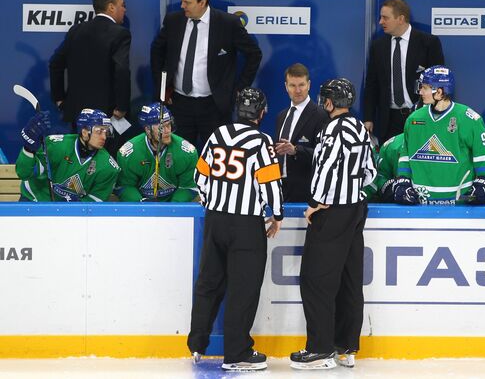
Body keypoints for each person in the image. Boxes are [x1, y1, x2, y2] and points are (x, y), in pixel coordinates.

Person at [188, 88, 283, 372]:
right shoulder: (261, 141)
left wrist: (212, 202)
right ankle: (237, 352)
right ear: (261, 113)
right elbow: (270, 184)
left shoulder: (217, 135)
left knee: (209, 282)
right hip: (245, 225)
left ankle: (197, 345)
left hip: (215, 220)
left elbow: (199, 177)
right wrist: (276, 214)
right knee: (244, 288)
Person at [290, 78, 376, 370]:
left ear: (330, 101)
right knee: (350, 279)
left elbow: (325, 167)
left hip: (332, 211)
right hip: (355, 209)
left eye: (325, 97)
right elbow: (370, 171)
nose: (322, 101)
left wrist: (316, 201)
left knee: (316, 280)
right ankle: (346, 346)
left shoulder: (331, 129)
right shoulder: (359, 128)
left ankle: (320, 349)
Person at [151, 0, 262, 150]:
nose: (182, 6)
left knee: (217, 154)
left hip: (214, 106)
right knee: (177, 157)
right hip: (179, 105)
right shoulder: (173, 21)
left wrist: (239, 88)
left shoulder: (227, 23)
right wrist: (163, 86)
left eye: (187, 2)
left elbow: (254, 54)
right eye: (182, 1)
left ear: (202, 2)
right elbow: (157, 51)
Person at [396, 66, 485, 205]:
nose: (420, 91)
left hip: (458, 205)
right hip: (420, 204)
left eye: (425, 88)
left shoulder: (468, 118)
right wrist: (403, 181)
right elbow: (405, 155)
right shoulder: (414, 119)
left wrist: (484, 182)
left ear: (439, 92)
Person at [49, 0, 130, 131]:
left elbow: (55, 64)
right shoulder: (120, 33)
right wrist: (122, 106)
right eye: (123, 5)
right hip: (107, 115)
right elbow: (122, 70)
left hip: (77, 113)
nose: (125, 9)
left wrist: (59, 99)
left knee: (79, 153)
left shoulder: (76, 30)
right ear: (111, 7)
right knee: (105, 154)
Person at [363, 0, 444, 143]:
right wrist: (368, 117)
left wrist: (436, 114)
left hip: (421, 116)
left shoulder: (428, 43)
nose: (381, 22)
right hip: (389, 120)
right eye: (381, 17)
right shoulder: (378, 46)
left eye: (385, 18)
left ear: (400, 19)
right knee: (390, 162)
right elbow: (371, 84)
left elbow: (439, 83)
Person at [15, 109, 120, 202]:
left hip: (72, 213)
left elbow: (96, 199)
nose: (104, 137)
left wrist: (76, 206)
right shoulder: (56, 146)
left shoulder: (108, 166)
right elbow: (24, 173)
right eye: (99, 131)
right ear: (84, 132)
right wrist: (28, 149)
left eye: (106, 132)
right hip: (35, 200)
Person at [115, 103, 198, 202]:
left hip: (172, 204)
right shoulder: (129, 154)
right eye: (161, 128)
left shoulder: (186, 153)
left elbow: (188, 187)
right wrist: (141, 206)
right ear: (147, 130)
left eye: (169, 125)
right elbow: (125, 186)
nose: (167, 131)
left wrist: (173, 207)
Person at [274, 63, 329, 202]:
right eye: (292, 85)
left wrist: (296, 150)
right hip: (280, 188)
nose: (298, 90)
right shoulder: (281, 116)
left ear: (309, 85)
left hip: (306, 191)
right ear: (286, 86)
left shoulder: (321, 115)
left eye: (301, 85)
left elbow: (325, 155)